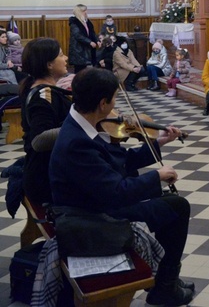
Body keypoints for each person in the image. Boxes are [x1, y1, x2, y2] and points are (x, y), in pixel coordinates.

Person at [48, 68, 195, 305]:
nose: (116, 106)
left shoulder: (83, 122)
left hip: (96, 201)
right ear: (103, 102)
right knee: (178, 207)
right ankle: (165, 287)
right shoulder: (78, 142)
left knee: (172, 205)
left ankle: (166, 279)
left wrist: (158, 143)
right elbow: (116, 192)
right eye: (115, 98)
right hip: (91, 215)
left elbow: (119, 161)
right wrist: (157, 175)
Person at [19, 38, 72, 206]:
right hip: (47, 178)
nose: (66, 59)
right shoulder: (43, 96)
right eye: (61, 55)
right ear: (49, 64)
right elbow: (39, 140)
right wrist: (83, 125)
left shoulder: (46, 90)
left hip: (55, 171)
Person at [68, 4, 98, 73]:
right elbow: (78, 35)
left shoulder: (87, 22)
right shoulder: (74, 23)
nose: (86, 12)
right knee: (79, 71)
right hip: (79, 50)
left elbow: (92, 33)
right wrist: (89, 42)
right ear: (79, 12)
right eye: (84, 11)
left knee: (85, 70)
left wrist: (96, 41)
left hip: (86, 49)